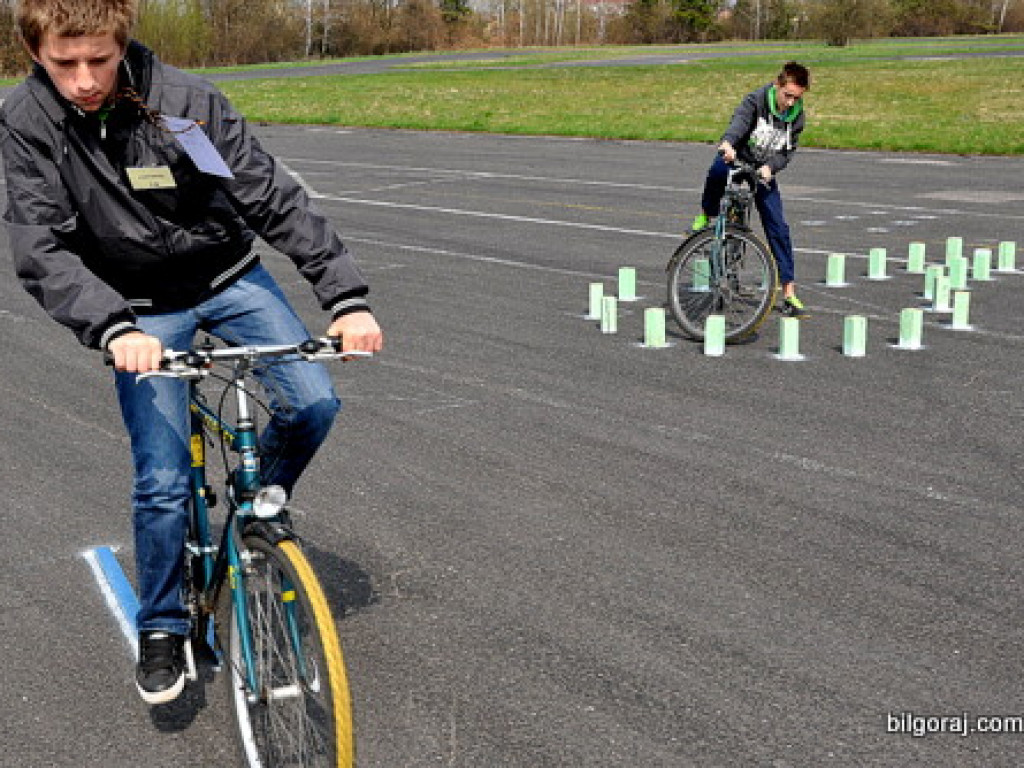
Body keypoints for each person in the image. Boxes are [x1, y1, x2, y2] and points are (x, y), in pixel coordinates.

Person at [1, 0, 383, 705]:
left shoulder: (181, 103)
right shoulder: (28, 122)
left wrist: (346, 296)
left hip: (231, 277)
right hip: (140, 311)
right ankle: (163, 624)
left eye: (99, 60)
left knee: (313, 401)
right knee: (163, 479)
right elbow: (41, 245)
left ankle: (258, 506)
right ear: (36, 51)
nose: (84, 80)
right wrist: (114, 328)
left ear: (124, 41)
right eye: (65, 63)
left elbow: (267, 193)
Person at [692, 61, 811, 317]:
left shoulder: (797, 117)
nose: (790, 102)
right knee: (716, 172)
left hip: (761, 169)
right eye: (787, 95)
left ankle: (789, 290)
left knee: (778, 226)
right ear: (777, 84)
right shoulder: (755, 100)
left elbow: (787, 152)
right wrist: (728, 144)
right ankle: (707, 212)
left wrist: (771, 167)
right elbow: (738, 124)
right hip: (736, 158)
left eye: (796, 98)